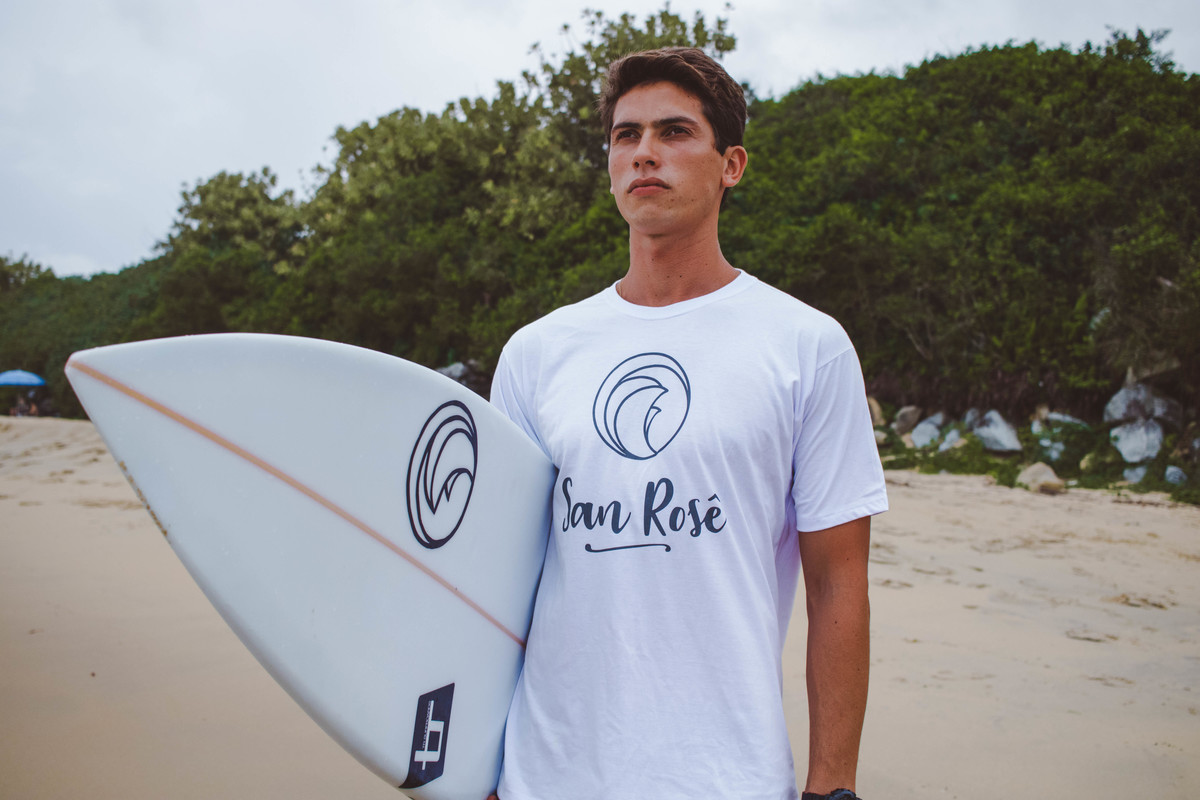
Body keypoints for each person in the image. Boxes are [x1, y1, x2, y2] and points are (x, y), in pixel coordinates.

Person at [487, 47, 887, 800]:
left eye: (674, 132)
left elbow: (838, 581)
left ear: (731, 164)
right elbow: (496, 577)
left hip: (727, 775)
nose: (645, 153)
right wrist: (473, 768)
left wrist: (832, 785)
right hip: (544, 776)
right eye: (626, 136)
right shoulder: (537, 353)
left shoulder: (807, 346)